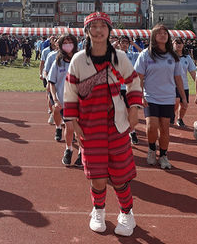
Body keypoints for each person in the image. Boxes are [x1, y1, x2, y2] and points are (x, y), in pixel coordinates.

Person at [63, 12, 143, 237]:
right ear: (87, 32)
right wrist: (73, 123)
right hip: (89, 126)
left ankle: (127, 213)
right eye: (93, 27)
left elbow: (134, 82)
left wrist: (134, 109)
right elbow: (70, 93)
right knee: (97, 177)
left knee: (120, 176)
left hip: (116, 124)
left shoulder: (119, 57)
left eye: (103, 26)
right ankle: (98, 210)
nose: (98, 31)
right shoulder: (79, 60)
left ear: (109, 30)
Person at [134, 24, 187, 170]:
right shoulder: (145, 54)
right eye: (159, 33)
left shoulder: (173, 56)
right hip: (150, 97)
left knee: (164, 128)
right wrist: (140, 94)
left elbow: (178, 78)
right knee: (151, 127)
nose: (162, 35)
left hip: (168, 97)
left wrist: (183, 98)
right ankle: (152, 149)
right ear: (153, 36)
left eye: (165, 33)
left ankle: (163, 155)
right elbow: (139, 77)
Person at [48, 33, 82, 167]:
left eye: (70, 42)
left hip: (80, 101)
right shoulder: (58, 62)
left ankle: (82, 153)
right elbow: (51, 82)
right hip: (64, 101)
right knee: (69, 127)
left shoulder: (81, 60)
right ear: (61, 45)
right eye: (65, 43)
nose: (68, 45)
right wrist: (55, 100)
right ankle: (69, 149)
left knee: (80, 128)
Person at [119, 36, 140, 144]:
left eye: (127, 43)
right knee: (116, 111)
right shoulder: (115, 55)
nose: (125, 45)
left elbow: (144, 53)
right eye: (123, 42)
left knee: (130, 111)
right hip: (117, 87)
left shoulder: (132, 55)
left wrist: (134, 44)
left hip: (129, 87)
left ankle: (132, 132)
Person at [173, 37, 196, 127]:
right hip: (173, 84)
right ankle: (171, 114)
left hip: (184, 85)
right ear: (173, 44)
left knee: (184, 104)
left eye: (180, 43)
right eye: (176, 43)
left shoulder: (187, 58)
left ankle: (180, 119)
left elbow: (192, 72)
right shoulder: (170, 57)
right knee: (176, 100)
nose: (178, 45)